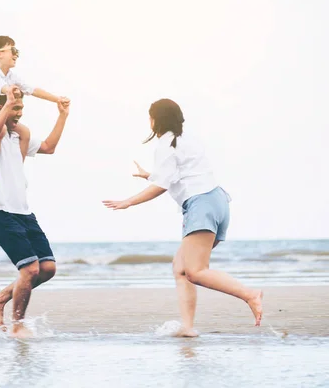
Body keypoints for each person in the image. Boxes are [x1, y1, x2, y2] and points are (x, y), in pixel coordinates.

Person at [102, 98, 263, 337]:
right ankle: (187, 328)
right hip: (217, 202)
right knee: (181, 268)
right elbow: (179, 175)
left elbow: (163, 185)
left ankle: (250, 294)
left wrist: (128, 201)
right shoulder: (187, 140)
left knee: (196, 271)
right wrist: (150, 175)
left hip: (201, 205)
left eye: (150, 116)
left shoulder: (165, 145)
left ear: (155, 119)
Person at [0, 87, 70, 338]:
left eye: (20, 109)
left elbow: (49, 147)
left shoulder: (20, 136)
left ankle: (0, 298)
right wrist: (7, 105)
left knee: (47, 268)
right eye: (14, 108)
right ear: (0, 107)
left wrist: (62, 115)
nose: (18, 113)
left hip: (23, 213)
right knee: (29, 271)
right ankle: (18, 325)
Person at [0, 35, 69, 186]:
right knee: (0, 129)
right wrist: (10, 90)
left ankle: (17, 168)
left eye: (17, 51)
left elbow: (31, 89)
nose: (16, 55)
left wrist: (56, 99)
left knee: (25, 132)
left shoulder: (11, 76)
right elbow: (1, 87)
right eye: (12, 50)